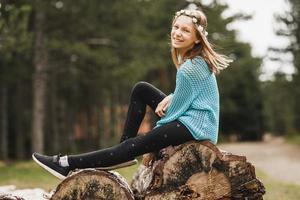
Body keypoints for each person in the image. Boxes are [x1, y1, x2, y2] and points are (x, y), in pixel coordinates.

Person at [32, 8, 232, 180]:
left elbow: (174, 114)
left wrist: (148, 139)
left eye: (185, 30)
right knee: (141, 89)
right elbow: (188, 95)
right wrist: (172, 95)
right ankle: (122, 151)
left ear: (197, 38)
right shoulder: (196, 62)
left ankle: (67, 163)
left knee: (134, 145)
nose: (177, 33)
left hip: (196, 127)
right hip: (196, 120)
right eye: (176, 27)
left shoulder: (189, 68)